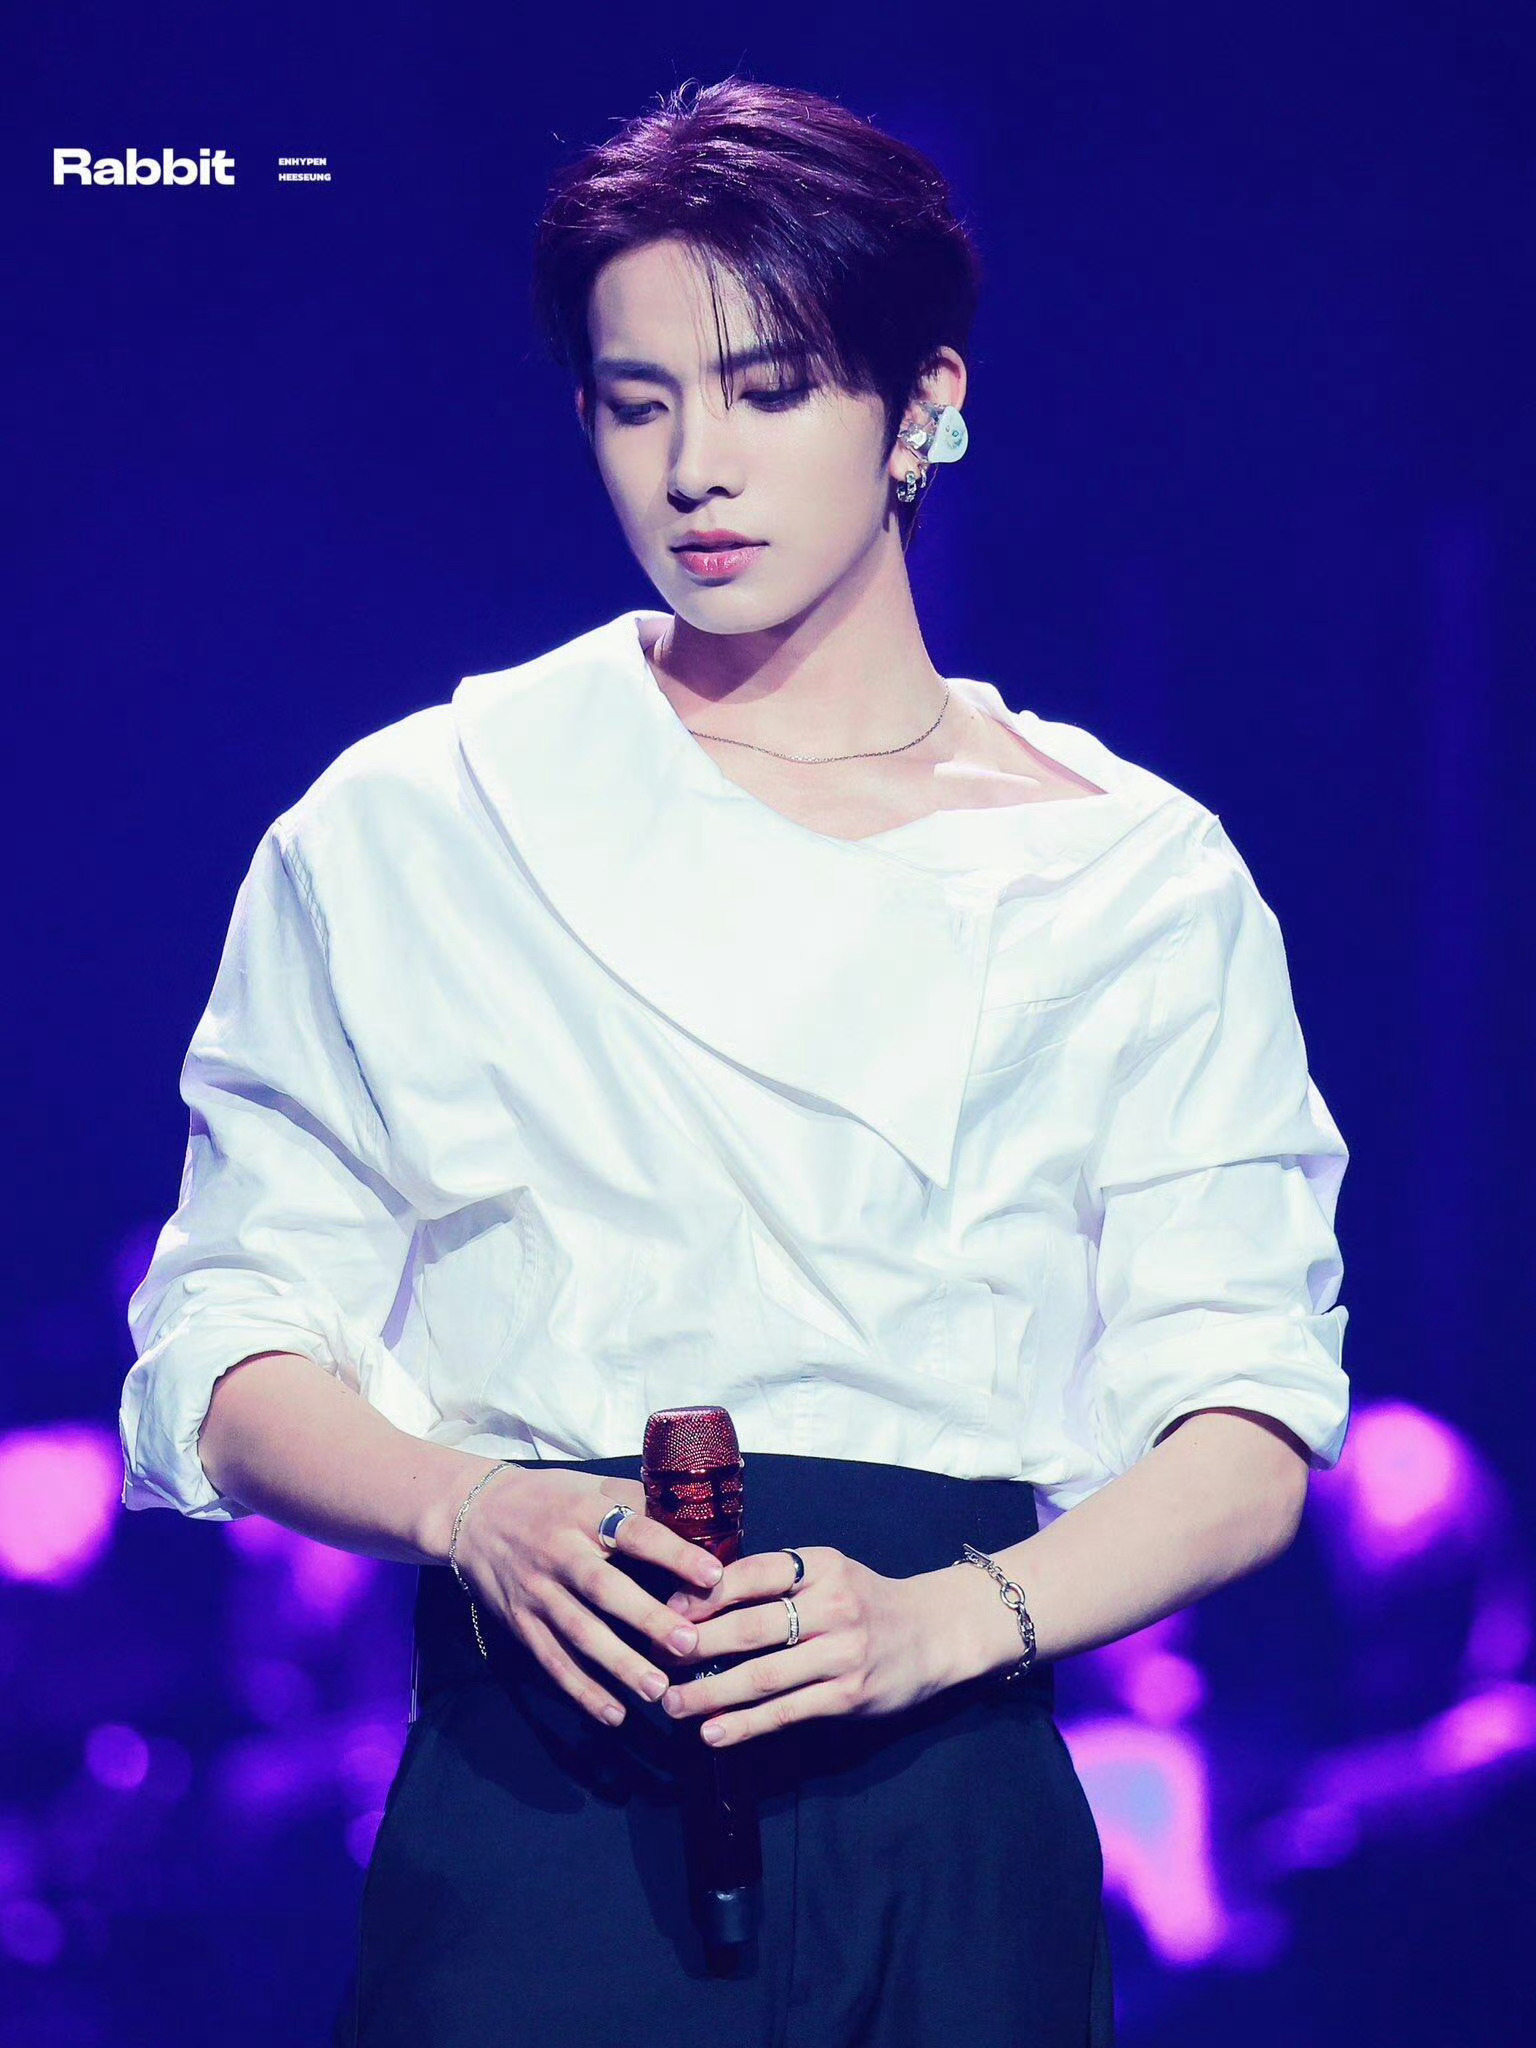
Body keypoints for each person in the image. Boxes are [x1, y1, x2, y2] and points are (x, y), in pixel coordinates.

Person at [117, 76, 1352, 2048]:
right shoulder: (426, 821)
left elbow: (1247, 1416)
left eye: (769, 390)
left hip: (952, 1784)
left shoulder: (1130, 873)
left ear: (922, 404)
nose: (697, 467)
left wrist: (949, 1619)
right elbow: (227, 1341)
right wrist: (469, 1509)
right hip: (547, 1784)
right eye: (637, 403)